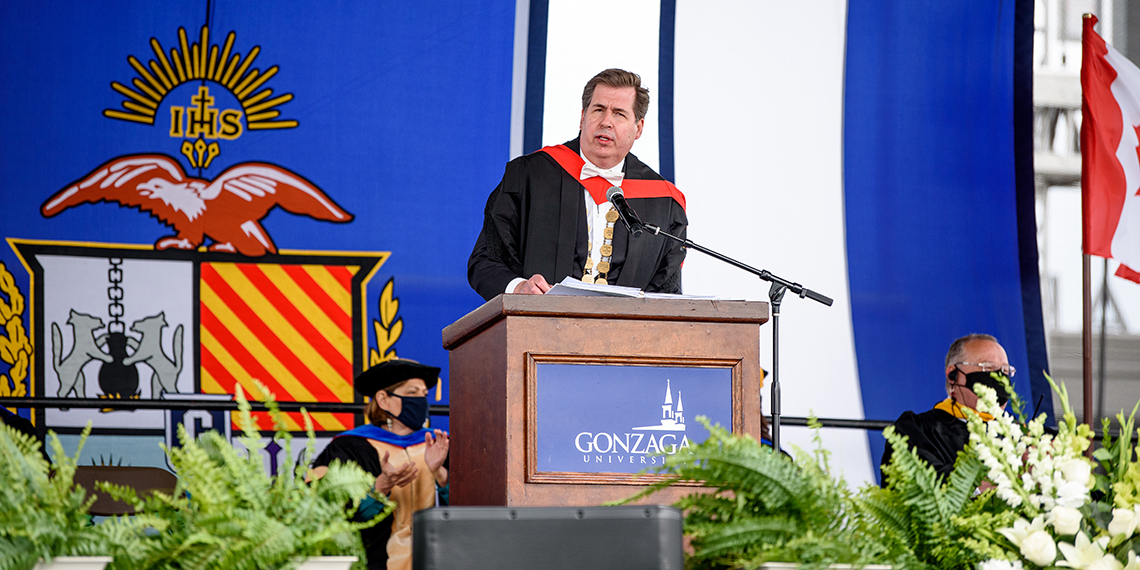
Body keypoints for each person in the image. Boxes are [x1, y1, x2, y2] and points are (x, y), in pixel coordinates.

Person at [468, 68, 688, 301]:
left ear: (639, 128)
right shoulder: (528, 176)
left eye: (619, 114)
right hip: (539, 328)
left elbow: (667, 293)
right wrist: (520, 288)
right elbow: (485, 261)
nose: (606, 122)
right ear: (582, 117)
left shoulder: (664, 202)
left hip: (625, 335)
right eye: (598, 110)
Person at [309, 359, 449, 570]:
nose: (421, 401)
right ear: (383, 399)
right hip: (374, 561)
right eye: (412, 393)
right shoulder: (349, 447)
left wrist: (439, 473)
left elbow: (471, 508)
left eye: (424, 395)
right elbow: (324, 510)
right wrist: (380, 486)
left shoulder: (438, 445)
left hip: (439, 558)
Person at [879, 333, 1014, 487]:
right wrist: (994, 481)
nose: (999, 378)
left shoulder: (1021, 435)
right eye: (988, 367)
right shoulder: (915, 431)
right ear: (953, 375)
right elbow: (922, 490)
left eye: (1005, 371)